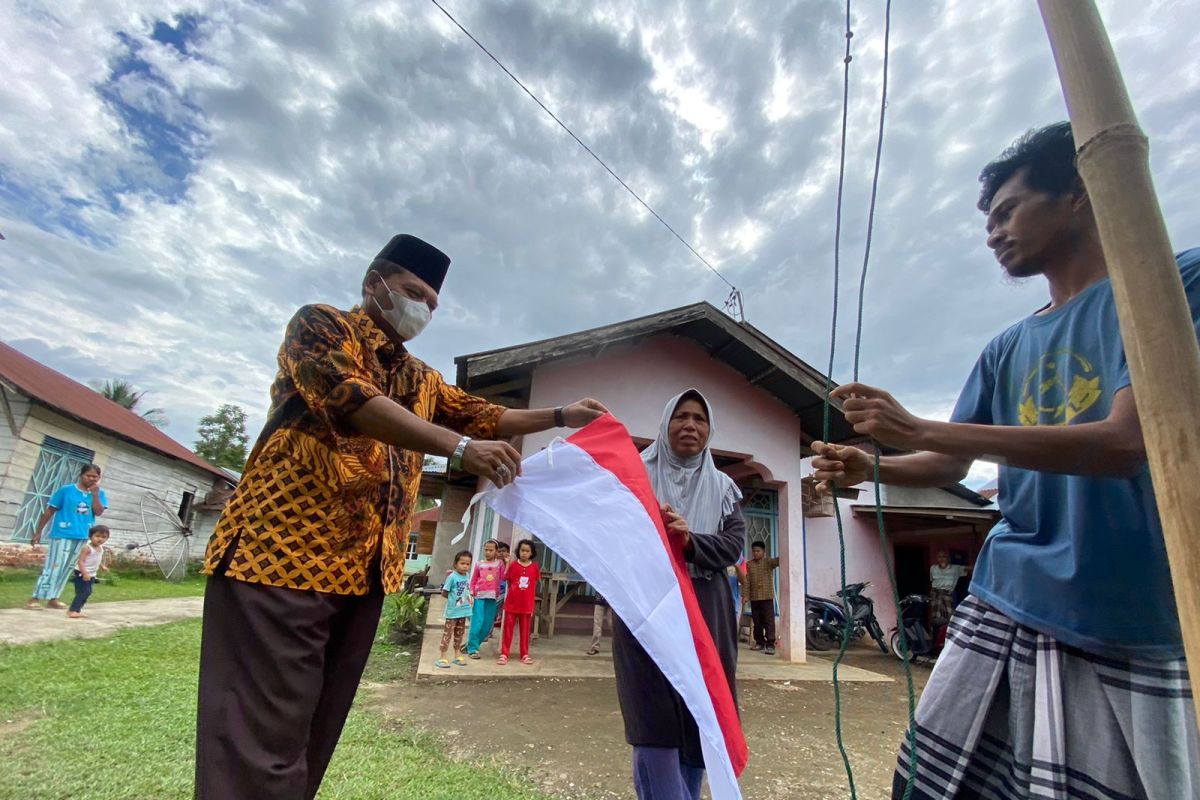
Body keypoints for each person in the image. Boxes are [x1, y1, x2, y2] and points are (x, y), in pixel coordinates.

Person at [811, 123, 1200, 800]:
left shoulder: (1167, 286)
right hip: (1005, 597)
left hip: (1125, 613)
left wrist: (915, 425)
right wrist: (869, 467)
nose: (993, 232)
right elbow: (948, 464)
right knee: (931, 785)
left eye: (1008, 211)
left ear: (1076, 196)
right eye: (987, 220)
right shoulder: (1006, 346)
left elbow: (1125, 444)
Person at [195, 233, 607, 800]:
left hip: (362, 575)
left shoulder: (420, 377)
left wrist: (562, 414)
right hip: (281, 559)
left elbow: (484, 414)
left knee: (313, 732)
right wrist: (459, 450)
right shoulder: (320, 326)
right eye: (414, 293)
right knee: (257, 737)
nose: (423, 310)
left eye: (433, 304)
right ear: (375, 284)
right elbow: (351, 398)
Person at [612, 388, 745, 800]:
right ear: (665, 422)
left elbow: (733, 545)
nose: (690, 425)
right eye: (681, 416)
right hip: (646, 605)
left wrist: (689, 542)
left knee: (700, 709)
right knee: (652, 709)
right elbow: (614, 534)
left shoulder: (723, 486)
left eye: (700, 419)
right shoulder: (633, 473)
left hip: (707, 606)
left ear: (709, 430)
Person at [26, 464, 107, 610]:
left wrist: (94, 494)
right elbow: (49, 511)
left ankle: (53, 598)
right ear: (81, 475)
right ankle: (35, 598)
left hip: (82, 535)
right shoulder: (66, 490)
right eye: (89, 475)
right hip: (62, 533)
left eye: (95, 477)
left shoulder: (99, 494)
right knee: (54, 566)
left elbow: (99, 511)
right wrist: (38, 532)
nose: (91, 479)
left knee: (67, 568)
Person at [498, 538, 540, 665]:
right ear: (518, 551)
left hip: (527, 605)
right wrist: (507, 564)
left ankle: (524, 654)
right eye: (522, 550)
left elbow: (535, 584)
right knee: (508, 629)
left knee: (525, 631)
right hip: (512, 603)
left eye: (527, 551)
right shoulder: (514, 565)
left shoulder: (535, 567)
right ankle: (504, 654)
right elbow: (506, 578)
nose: (524, 553)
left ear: (531, 553)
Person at [466, 539, 503, 658]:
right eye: (486, 549)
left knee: (487, 626)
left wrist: (507, 562)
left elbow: (504, 577)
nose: (488, 552)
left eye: (491, 550)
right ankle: (472, 649)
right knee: (477, 622)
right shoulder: (479, 564)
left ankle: (473, 644)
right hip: (479, 596)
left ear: (496, 552)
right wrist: (471, 591)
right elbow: (473, 580)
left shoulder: (499, 564)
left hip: (492, 597)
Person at [436, 550, 473, 668]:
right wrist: (453, 601)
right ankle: (443, 656)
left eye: (468, 564)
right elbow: (444, 592)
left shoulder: (467, 576)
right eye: (462, 563)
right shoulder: (452, 577)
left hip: (464, 611)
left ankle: (457, 655)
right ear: (455, 564)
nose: (465, 566)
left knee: (459, 634)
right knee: (448, 634)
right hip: (452, 612)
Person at [744, 540, 780, 655]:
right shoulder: (749, 564)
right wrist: (745, 595)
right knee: (757, 622)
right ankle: (760, 642)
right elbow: (747, 581)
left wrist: (785, 547)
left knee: (769, 621)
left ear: (764, 552)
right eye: (754, 551)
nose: (755, 553)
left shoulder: (768, 562)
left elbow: (779, 561)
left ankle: (770, 644)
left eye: (758, 551)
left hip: (767, 597)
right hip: (754, 598)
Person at [66, 525, 110, 618]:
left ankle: (77, 610)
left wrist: (102, 566)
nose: (100, 539)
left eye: (103, 537)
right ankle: (73, 610)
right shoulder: (87, 548)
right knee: (83, 592)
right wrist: (85, 573)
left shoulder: (100, 548)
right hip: (82, 573)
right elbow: (80, 561)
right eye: (97, 536)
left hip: (92, 574)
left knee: (87, 592)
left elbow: (97, 559)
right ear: (90, 536)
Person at [928, 550, 967, 625]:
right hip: (935, 594)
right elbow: (931, 581)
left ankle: (947, 633)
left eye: (944, 557)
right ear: (937, 558)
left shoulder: (955, 569)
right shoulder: (933, 568)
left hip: (947, 594)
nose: (942, 559)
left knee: (950, 616)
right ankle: (935, 634)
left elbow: (969, 568)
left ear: (948, 559)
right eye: (939, 557)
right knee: (934, 617)